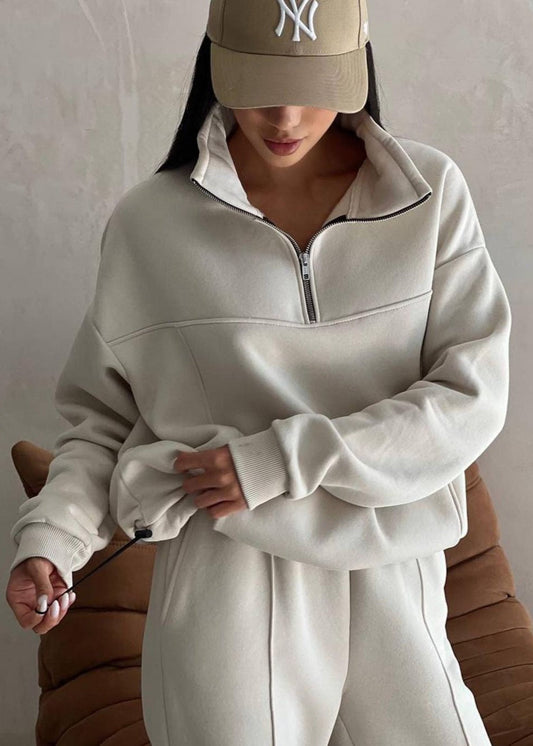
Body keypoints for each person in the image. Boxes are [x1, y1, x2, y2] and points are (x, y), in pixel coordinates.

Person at [6, 0, 512, 744]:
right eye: (258, 84)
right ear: (216, 65)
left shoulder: (428, 194)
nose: (284, 117)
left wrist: (283, 460)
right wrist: (52, 539)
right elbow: (103, 424)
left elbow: (472, 396)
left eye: (311, 87)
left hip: (392, 562)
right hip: (225, 578)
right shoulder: (151, 224)